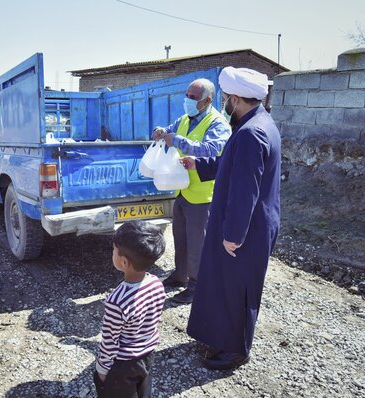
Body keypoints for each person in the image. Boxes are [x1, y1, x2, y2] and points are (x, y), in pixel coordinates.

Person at [181, 67, 281, 370]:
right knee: (221, 282)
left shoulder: (252, 133)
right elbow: (229, 165)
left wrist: (234, 234)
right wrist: (198, 165)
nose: (224, 104)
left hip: (246, 229)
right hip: (242, 224)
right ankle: (217, 335)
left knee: (238, 288)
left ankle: (235, 350)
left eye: (225, 99)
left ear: (235, 99)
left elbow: (245, 190)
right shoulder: (256, 123)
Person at [151, 78, 231, 304]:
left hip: (203, 195)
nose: (187, 100)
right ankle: (180, 275)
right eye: (187, 95)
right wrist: (160, 132)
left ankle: (197, 285)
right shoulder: (186, 119)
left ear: (207, 101)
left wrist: (177, 140)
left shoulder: (218, 124)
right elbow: (169, 130)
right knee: (181, 238)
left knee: (198, 244)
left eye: (193, 97)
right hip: (183, 190)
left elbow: (211, 149)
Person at [94, 221, 166, 398]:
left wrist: (102, 369)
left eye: (113, 251)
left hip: (123, 364)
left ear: (124, 262)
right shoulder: (157, 284)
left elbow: (110, 340)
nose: (112, 254)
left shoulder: (116, 301)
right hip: (148, 354)